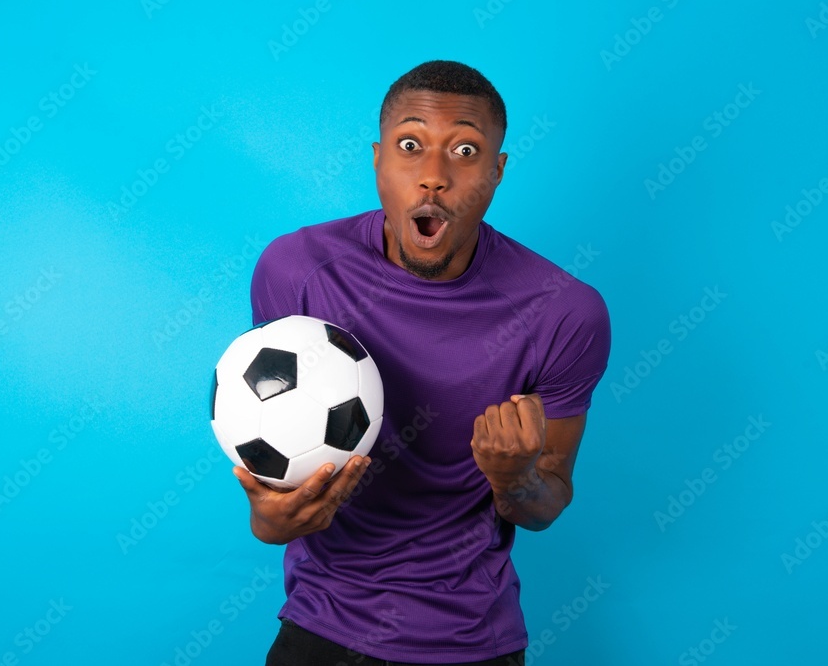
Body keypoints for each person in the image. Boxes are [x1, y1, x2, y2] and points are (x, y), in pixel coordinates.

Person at [232, 60, 611, 665]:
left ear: (497, 171)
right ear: (378, 159)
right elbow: (278, 486)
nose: (433, 176)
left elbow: (547, 503)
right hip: (322, 627)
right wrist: (270, 519)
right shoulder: (297, 270)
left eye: (465, 150)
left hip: (474, 640)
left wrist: (515, 478)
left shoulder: (563, 313)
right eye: (411, 146)